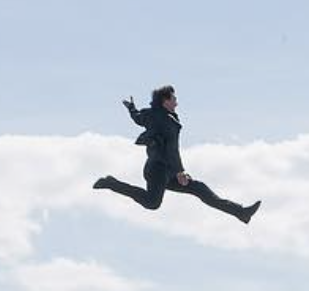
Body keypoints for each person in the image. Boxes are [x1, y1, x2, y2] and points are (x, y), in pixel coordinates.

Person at [93, 84, 261, 223]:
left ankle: (241, 213)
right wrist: (180, 171)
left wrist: (131, 108)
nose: (177, 103)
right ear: (165, 101)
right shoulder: (168, 121)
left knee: (200, 189)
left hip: (162, 169)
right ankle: (112, 183)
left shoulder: (151, 114)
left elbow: (138, 118)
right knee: (152, 203)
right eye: (174, 99)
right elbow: (172, 149)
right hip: (159, 169)